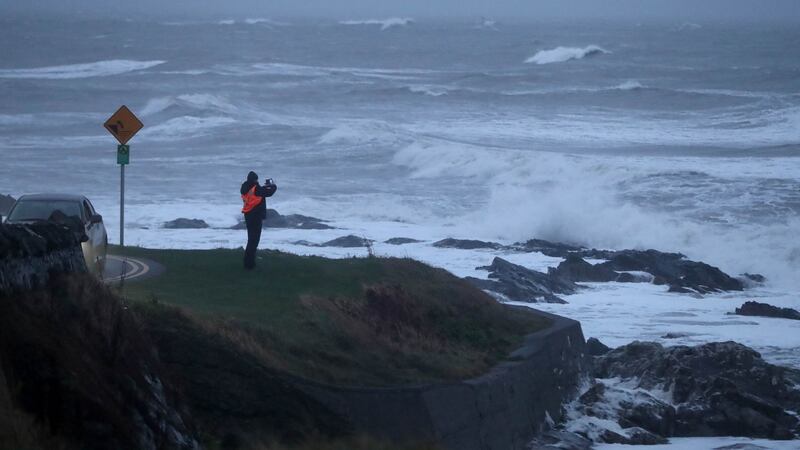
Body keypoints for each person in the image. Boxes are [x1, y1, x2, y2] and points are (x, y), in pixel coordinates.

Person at [240, 171, 277, 269]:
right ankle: (249, 265)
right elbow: (268, 193)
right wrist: (273, 186)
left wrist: (264, 187)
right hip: (255, 215)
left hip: (248, 214)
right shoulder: (256, 188)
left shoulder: (245, 188)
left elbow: (258, 191)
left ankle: (248, 263)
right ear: (254, 180)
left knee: (251, 239)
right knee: (254, 241)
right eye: (256, 179)